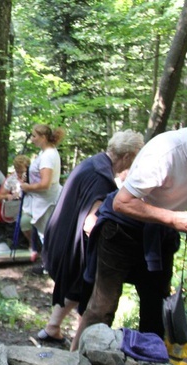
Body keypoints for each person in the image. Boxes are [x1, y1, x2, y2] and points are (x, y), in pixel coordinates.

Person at [71, 113, 187, 351]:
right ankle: (79, 363)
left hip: (159, 233)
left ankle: (151, 364)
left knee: (156, 303)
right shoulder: (164, 153)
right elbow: (122, 203)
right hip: (121, 231)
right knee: (103, 304)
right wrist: (174, 218)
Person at [37, 130, 144, 343]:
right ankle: (80, 346)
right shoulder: (102, 177)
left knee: (74, 287)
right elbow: (90, 223)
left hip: (59, 235)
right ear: (127, 156)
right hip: (73, 244)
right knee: (88, 289)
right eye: (133, 159)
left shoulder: (94, 162)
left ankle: (52, 327)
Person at [20, 124, 65, 261]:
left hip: (46, 200)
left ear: (43, 137)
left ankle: (52, 266)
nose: (32, 139)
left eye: (34, 136)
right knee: (42, 232)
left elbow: (45, 184)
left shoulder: (48, 156)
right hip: (42, 199)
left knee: (47, 235)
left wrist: (28, 187)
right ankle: (49, 263)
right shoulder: (46, 153)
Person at [0, 154, 31, 240]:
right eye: (17, 171)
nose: (19, 174)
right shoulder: (11, 178)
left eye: (21, 171)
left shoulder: (33, 177)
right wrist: (9, 196)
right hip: (17, 207)